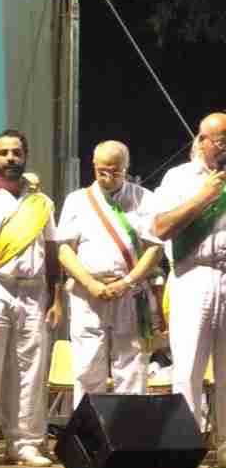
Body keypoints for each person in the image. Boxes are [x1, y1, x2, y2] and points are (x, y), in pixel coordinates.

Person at [0, 129, 62, 468]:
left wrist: (56, 298)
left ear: (25, 156)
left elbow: (52, 250)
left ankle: (25, 444)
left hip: (34, 290)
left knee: (31, 369)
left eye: (16, 152)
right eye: (4, 152)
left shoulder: (41, 202)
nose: (10, 158)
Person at [58, 140, 163, 408]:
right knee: (87, 367)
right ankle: (88, 430)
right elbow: (65, 251)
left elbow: (155, 249)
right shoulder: (77, 200)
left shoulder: (145, 198)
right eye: (101, 171)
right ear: (93, 165)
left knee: (132, 368)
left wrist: (127, 282)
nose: (107, 178)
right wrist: (90, 283)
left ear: (126, 168)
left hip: (130, 292)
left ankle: (128, 430)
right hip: (87, 294)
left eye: (115, 172)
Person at [152, 112, 226, 466]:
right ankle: (186, 448)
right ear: (201, 141)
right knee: (188, 367)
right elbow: (160, 227)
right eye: (221, 141)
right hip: (192, 275)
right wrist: (203, 197)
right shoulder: (178, 178)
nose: (225, 148)